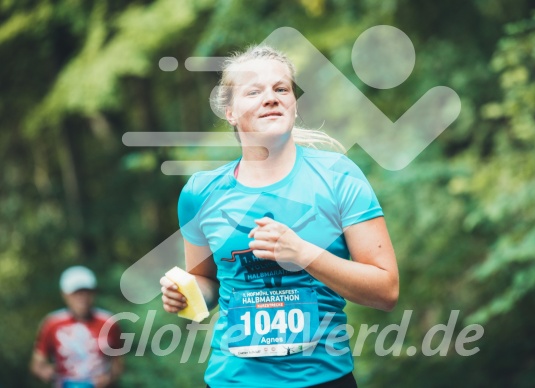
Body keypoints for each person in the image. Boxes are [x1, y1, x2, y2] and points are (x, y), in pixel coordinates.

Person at [160, 45, 399, 387]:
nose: (271, 98)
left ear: (293, 103)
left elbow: (386, 290)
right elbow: (207, 282)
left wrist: (303, 254)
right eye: (254, 91)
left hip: (323, 379)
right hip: (233, 380)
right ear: (230, 112)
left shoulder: (338, 177)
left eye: (281, 89)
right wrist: (188, 296)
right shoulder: (201, 193)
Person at [31, 266, 124, 387]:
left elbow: (119, 363)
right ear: (65, 295)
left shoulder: (108, 322)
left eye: (87, 292)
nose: (82, 298)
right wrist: (47, 373)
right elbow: (37, 363)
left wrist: (108, 378)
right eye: (77, 293)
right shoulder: (52, 323)